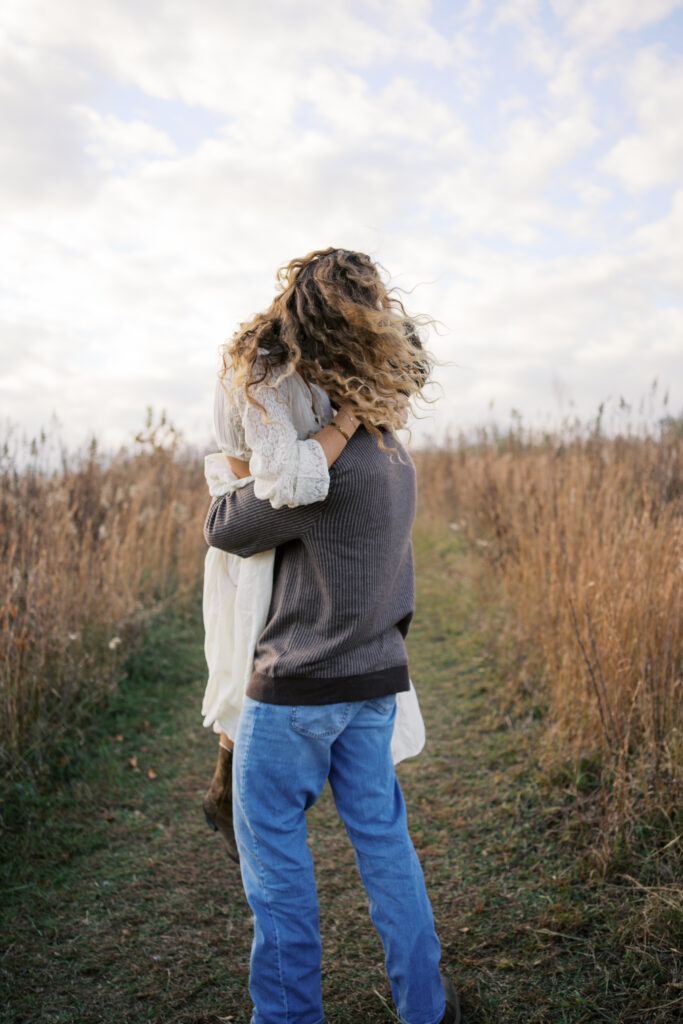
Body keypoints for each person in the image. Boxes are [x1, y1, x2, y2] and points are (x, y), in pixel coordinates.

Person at [203, 248, 461, 1024]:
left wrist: (234, 464)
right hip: (374, 682)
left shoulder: (319, 473)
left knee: (276, 872)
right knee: (388, 853)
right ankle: (428, 1008)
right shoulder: (394, 456)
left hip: (293, 696)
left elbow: (226, 527)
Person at [201, 250, 426, 862]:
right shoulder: (267, 375)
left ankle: (235, 782)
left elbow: (232, 522)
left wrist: (352, 417)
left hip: (309, 532)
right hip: (272, 505)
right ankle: (226, 779)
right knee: (244, 642)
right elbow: (280, 480)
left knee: (263, 638)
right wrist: (352, 416)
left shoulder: (344, 392)